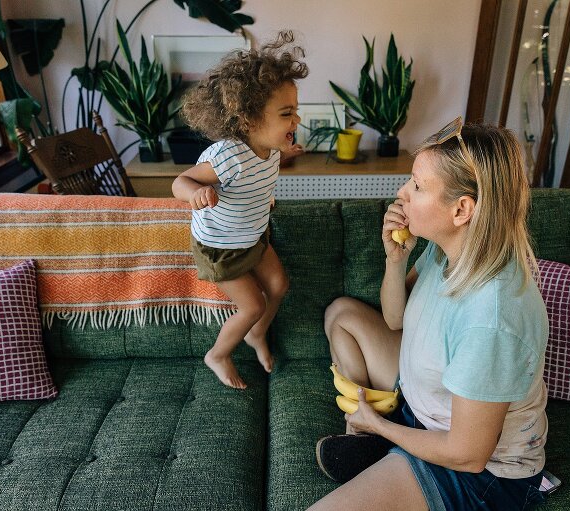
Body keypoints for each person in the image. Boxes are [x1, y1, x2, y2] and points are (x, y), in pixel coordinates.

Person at [310, 118, 550, 510]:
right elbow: (394, 320)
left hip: (478, 475)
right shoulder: (446, 250)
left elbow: (467, 454)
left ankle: (380, 436)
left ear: (461, 209)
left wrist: (379, 423)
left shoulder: (492, 319)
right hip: (425, 405)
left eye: (418, 186)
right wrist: (395, 260)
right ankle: (377, 441)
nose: (402, 193)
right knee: (342, 315)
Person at [172, 31, 308, 389]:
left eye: (295, 111)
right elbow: (180, 181)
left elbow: (261, 170)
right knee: (252, 306)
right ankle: (218, 354)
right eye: (286, 114)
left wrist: (287, 154)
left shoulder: (272, 146)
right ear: (249, 121)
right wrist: (196, 192)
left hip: (252, 234)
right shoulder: (228, 157)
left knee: (279, 284)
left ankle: (256, 334)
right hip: (221, 248)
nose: (296, 121)